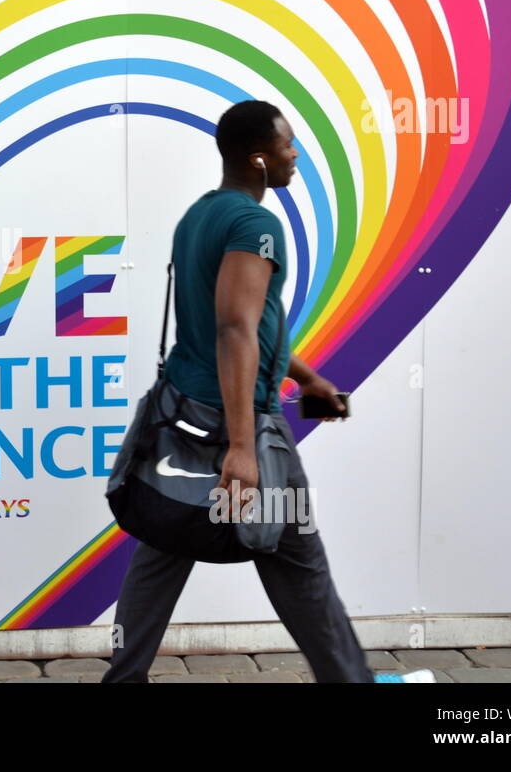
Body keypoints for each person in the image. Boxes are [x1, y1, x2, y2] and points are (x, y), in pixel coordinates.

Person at [102, 100, 425, 684]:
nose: (295, 155)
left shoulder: (202, 214)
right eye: (287, 146)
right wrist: (244, 447)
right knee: (299, 558)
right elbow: (234, 328)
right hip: (237, 420)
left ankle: (124, 680)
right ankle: (351, 681)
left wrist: (306, 378)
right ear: (258, 157)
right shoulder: (256, 225)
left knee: (165, 539)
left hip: (184, 411)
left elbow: (254, 317)